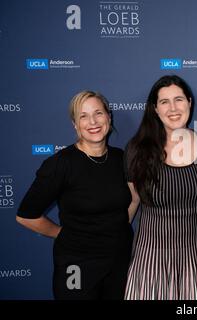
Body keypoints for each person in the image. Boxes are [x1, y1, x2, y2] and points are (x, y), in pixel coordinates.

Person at [16, 91, 133, 300]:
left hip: (118, 263)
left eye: (98, 113)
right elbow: (26, 215)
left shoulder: (119, 158)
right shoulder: (61, 164)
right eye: (83, 116)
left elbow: (129, 200)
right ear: (75, 124)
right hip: (78, 266)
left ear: (109, 117)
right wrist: (62, 234)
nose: (93, 122)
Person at [124, 75, 197, 300]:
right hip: (151, 262)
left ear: (189, 102)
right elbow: (132, 202)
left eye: (178, 99)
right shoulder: (137, 149)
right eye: (164, 102)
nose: (173, 108)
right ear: (155, 109)